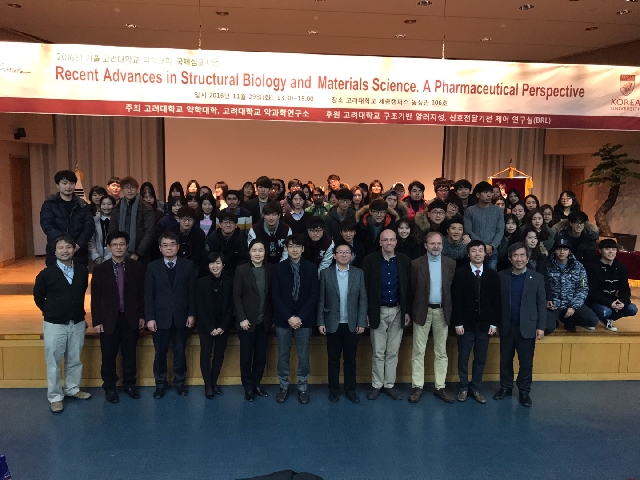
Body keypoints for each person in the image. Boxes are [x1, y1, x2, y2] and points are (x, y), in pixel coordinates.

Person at [33, 235, 91, 413]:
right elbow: (38, 297)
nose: (65, 251)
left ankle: (72, 388)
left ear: (74, 249)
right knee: (53, 362)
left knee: (74, 359)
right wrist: (52, 312)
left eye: (68, 247)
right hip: (54, 324)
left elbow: (80, 293)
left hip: (77, 322)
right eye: (60, 248)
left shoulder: (82, 271)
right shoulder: (46, 274)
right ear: (55, 251)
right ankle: (55, 397)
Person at [91, 231, 145, 403]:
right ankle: (110, 387)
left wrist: (142, 315)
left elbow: (142, 294)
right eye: (115, 245)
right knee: (108, 355)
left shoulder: (137, 267)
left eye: (122, 244)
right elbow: (95, 298)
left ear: (127, 246)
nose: (119, 247)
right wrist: (97, 320)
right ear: (109, 247)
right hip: (108, 319)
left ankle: (130, 384)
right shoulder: (100, 269)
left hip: (130, 317)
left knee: (130, 354)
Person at [145, 232, 197, 399]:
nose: (169, 248)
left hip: (182, 317)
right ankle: (160, 384)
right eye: (165, 245)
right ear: (160, 248)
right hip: (160, 318)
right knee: (160, 353)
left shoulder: (188, 265)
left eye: (172, 244)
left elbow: (192, 292)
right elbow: (149, 295)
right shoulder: (152, 267)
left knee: (180, 352)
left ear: (178, 247)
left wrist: (191, 314)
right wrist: (150, 318)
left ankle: (179, 383)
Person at [494, 242, 546, 407]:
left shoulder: (537, 278)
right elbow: (496, 303)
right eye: (515, 255)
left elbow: (541, 304)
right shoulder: (501, 276)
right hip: (506, 326)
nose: (519, 259)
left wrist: (541, 326)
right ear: (510, 259)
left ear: (527, 258)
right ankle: (505, 387)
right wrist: (495, 323)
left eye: (522, 255)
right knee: (505, 360)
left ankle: (524, 392)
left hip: (527, 327)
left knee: (526, 362)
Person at [362, 229, 412, 401]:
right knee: (378, 351)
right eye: (385, 240)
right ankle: (377, 384)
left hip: (398, 311)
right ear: (380, 242)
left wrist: (407, 311)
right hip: (378, 311)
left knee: (392, 351)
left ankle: (389, 384)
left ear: (396, 242)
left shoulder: (405, 261)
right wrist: (367, 312)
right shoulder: (369, 261)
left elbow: (408, 288)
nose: (389, 243)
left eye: (392, 240)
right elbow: (365, 289)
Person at [408, 231, 456, 404]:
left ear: (442, 245)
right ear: (426, 245)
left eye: (439, 243)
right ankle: (417, 386)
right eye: (432, 243)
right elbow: (411, 289)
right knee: (418, 351)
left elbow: (452, 290)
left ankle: (440, 387)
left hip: (442, 312)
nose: (436, 246)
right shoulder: (416, 264)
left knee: (441, 352)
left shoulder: (450, 263)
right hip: (422, 311)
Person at [317, 241, 368, 404]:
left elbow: (363, 299)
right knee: (333, 360)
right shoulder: (326, 273)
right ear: (334, 255)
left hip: (352, 324)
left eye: (347, 252)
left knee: (350, 360)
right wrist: (320, 321)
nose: (344, 255)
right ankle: (334, 390)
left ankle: (350, 390)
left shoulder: (359, 273)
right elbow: (321, 299)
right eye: (340, 252)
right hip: (332, 323)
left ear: (351, 256)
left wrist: (361, 321)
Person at [272, 234, 320, 404]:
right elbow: (275, 296)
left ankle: (303, 387)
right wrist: (289, 317)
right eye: (291, 246)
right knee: (283, 354)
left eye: (297, 246)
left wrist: (299, 317)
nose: (294, 249)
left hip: (304, 319)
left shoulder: (311, 268)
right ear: (286, 249)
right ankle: (283, 386)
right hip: (283, 319)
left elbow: (314, 296)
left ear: (303, 249)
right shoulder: (278, 268)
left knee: (303, 354)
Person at [452, 240, 500, 404]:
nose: (478, 253)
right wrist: (458, 323)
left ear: (485, 254)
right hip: (465, 325)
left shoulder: (493, 275)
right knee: (463, 358)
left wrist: (494, 323)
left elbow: (496, 301)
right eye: (474, 251)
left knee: (480, 358)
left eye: (480, 250)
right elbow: (456, 300)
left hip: (485, 325)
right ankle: (463, 387)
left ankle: (476, 388)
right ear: (468, 254)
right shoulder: (460, 273)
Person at [234, 240, 273, 402]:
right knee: (246, 357)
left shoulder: (271, 269)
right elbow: (237, 296)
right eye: (254, 250)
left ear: (265, 252)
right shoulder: (241, 270)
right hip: (246, 323)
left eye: (261, 250)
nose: (258, 253)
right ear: (249, 252)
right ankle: (248, 387)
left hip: (264, 322)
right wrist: (242, 318)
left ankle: (257, 384)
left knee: (260, 357)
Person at [196, 252, 234, 399]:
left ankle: (214, 382)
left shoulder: (230, 282)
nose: (215, 266)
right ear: (208, 265)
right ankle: (208, 385)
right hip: (206, 325)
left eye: (218, 263)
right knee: (206, 354)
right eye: (212, 263)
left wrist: (223, 325)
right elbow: (199, 307)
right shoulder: (201, 282)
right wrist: (210, 327)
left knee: (219, 354)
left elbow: (231, 306)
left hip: (223, 325)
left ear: (223, 265)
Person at [40, 169, 95, 266]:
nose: (68, 186)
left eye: (71, 183)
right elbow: (47, 225)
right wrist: (64, 243)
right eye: (64, 183)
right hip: (57, 249)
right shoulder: (50, 204)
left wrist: (78, 244)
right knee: (56, 275)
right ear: (58, 185)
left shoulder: (83, 205)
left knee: (79, 275)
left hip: (78, 251)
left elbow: (89, 226)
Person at [546, 236, 599, 333]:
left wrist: (574, 306)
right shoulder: (547, 265)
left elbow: (583, 288)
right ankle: (555, 319)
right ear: (554, 250)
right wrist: (547, 300)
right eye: (559, 249)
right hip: (553, 304)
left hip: (571, 302)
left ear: (569, 251)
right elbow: (542, 286)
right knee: (547, 328)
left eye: (565, 249)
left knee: (592, 321)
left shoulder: (578, 266)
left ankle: (569, 320)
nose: (562, 252)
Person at [586, 239, 638, 332]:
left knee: (632, 309)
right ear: (600, 250)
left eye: (614, 249)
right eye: (607, 249)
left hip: (612, 299)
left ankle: (607, 319)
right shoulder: (592, 267)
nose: (611, 252)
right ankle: (591, 317)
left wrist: (623, 301)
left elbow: (625, 288)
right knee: (605, 311)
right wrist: (609, 303)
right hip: (594, 301)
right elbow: (592, 291)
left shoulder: (621, 267)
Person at [107, 176, 156, 264]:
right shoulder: (117, 208)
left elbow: (149, 232)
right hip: (120, 254)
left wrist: (138, 253)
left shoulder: (146, 208)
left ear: (137, 189)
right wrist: (118, 249)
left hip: (142, 255)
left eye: (132, 188)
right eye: (126, 188)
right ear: (122, 190)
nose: (129, 191)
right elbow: (112, 231)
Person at [463, 181, 504, 270]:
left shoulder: (498, 211)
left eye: (490, 192)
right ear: (478, 195)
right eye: (485, 192)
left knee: (491, 276)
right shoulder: (469, 211)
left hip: (492, 252)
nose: (489, 195)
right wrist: (483, 247)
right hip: (475, 251)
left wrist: (492, 246)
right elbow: (468, 230)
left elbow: (500, 231)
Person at [205, 210, 250, 277]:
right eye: (225, 222)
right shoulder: (212, 238)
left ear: (236, 225)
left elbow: (243, 260)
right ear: (220, 224)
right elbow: (208, 257)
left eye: (231, 222)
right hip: (215, 271)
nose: (228, 225)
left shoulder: (241, 239)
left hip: (235, 273)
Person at [169, 206, 206, 275]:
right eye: (184, 219)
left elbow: (198, 253)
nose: (187, 222)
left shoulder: (199, 233)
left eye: (190, 220)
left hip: (193, 264)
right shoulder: (171, 232)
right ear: (179, 219)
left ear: (194, 221)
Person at [88, 195, 115, 267]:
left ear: (113, 205)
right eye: (103, 204)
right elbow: (91, 241)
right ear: (100, 205)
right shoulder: (94, 220)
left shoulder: (117, 221)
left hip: (113, 257)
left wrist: (107, 258)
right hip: (96, 259)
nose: (106, 207)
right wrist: (96, 257)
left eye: (109, 204)